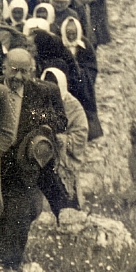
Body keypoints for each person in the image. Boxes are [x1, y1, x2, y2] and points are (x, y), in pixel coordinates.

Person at [0, 50, 71, 269]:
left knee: (20, 213)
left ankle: (10, 265)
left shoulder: (45, 92)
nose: (18, 78)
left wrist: (44, 126)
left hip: (23, 164)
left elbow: (62, 120)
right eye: (13, 71)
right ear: (4, 68)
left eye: (24, 72)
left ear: (32, 71)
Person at [41, 66, 89, 209]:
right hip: (42, 156)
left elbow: (80, 135)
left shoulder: (73, 107)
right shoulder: (38, 100)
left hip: (63, 162)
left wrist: (63, 140)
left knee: (65, 202)